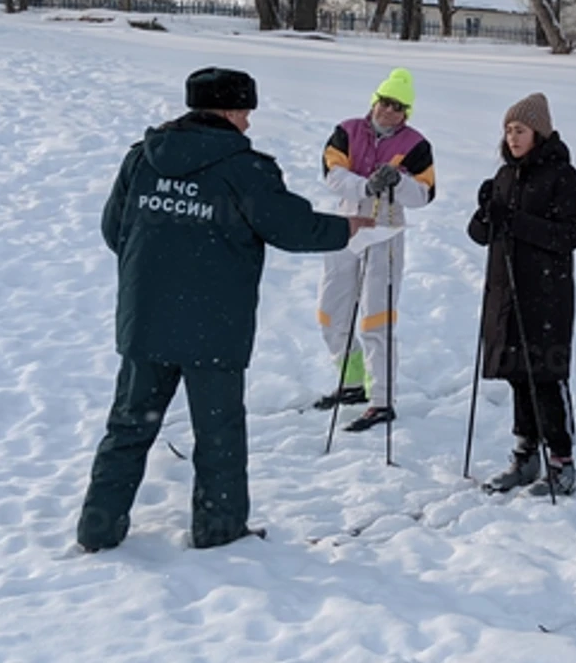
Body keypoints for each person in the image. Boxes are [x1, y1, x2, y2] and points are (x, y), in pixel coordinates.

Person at [77, 68, 373, 552]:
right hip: (214, 326)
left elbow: (115, 230)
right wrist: (346, 228)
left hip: (146, 319)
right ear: (230, 112)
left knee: (129, 425)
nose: (249, 124)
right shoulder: (244, 168)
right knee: (218, 434)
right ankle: (218, 530)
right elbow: (289, 226)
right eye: (245, 113)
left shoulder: (141, 160)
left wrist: (158, 269)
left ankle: (98, 529)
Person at [469, 94, 576, 497]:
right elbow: (482, 234)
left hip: (545, 293)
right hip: (506, 290)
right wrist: (485, 210)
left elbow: (569, 235)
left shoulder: (562, 176)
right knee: (517, 375)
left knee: (546, 376)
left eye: (519, 130)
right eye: (507, 130)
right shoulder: (505, 175)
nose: (512, 137)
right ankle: (525, 453)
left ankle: (562, 459)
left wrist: (516, 221)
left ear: (539, 132)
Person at [315, 67, 437, 430]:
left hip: (385, 232)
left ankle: (381, 399)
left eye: (399, 107)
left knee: (375, 318)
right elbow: (332, 173)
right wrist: (365, 186)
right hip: (348, 225)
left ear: (406, 113)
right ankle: (351, 380)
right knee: (330, 311)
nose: (389, 111)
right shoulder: (347, 131)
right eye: (385, 102)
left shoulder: (416, 145)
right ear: (375, 101)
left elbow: (425, 194)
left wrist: (396, 181)